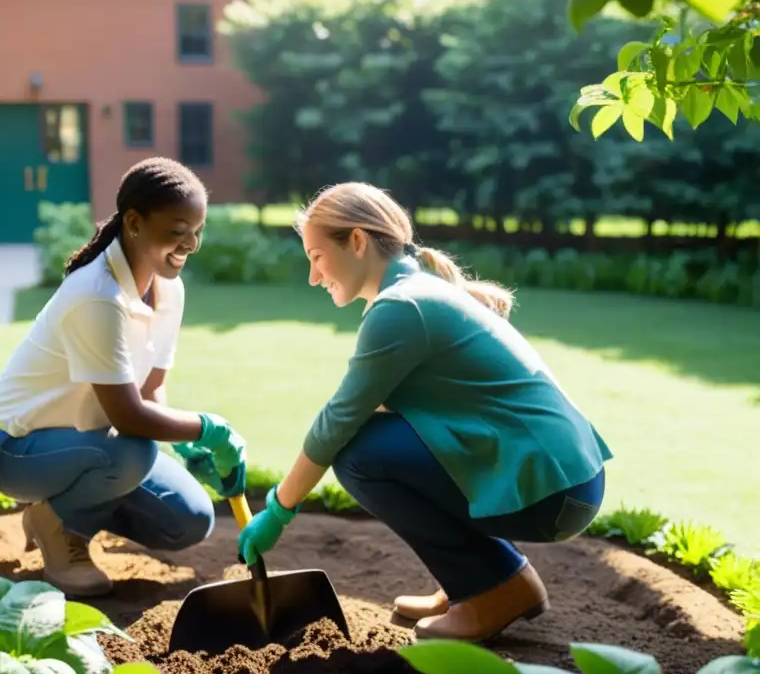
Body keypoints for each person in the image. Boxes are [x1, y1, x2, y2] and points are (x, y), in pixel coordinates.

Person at [236, 182, 612, 642]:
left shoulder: (402, 307)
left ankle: (496, 588)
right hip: (565, 483)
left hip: (553, 493)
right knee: (377, 438)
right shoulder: (417, 293)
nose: (313, 276)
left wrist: (278, 510)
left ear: (357, 241)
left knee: (359, 453)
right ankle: (474, 581)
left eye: (315, 256)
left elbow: (338, 422)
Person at [0, 157, 248, 597]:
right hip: (10, 446)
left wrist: (188, 443)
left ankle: (64, 508)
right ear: (134, 222)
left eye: (198, 230)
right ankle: (60, 529)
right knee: (133, 451)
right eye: (178, 231)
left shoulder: (169, 290)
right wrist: (210, 428)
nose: (191, 244)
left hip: (89, 445)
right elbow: (130, 416)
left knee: (189, 519)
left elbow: (150, 391)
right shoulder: (97, 294)